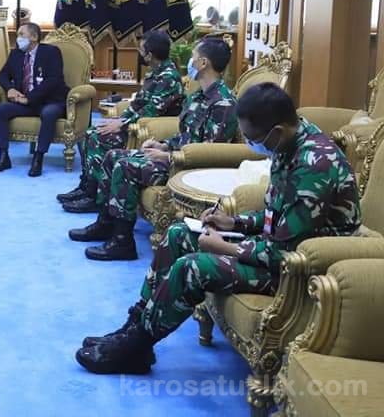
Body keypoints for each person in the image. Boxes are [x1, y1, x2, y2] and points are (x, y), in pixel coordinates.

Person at [76, 83, 361, 375]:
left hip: (299, 271)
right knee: (177, 234)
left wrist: (226, 247)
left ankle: (137, 346)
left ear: (276, 132)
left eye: (253, 138)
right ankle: (135, 325)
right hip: (278, 249)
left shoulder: (314, 166)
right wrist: (234, 222)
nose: (252, 144)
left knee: (191, 268)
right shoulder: (289, 142)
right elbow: (277, 216)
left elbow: (285, 250)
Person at [70, 38, 238, 261]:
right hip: (174, 155)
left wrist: (168, 156)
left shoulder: (223, 102)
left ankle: (122, 242)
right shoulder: (198, 96)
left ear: (204, 63)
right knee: (112, 157)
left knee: (125, 166)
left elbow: (209, 151)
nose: (190, 61)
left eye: (193, 57)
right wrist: (163, 144)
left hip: (187, 167)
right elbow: (186, 135)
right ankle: (105, 224)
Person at [60, 29, 184, 213]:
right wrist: (120, 119)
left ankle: (95, 197)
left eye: (141, 50)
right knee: (91, 132)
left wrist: (122, 125)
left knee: (99, 138)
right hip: (138, 122)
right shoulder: (155, 72)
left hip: (151, 129)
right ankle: (87, 186)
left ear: (150, 55)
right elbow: (138, 103)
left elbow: (152, 110)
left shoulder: (169, 77)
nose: (139, 53)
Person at [0, 22, 71, 177]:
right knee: (0, 110)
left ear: (34, 37)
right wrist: (10, 88)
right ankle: (3, 157)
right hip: (24, 101)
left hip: (50, 101)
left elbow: (54, 81)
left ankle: (38, 158)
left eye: (21, 34)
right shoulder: (16, 54)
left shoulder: (51, 52)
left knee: (48, 113)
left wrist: (29, 98)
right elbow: (1, 76)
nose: (18, 38)